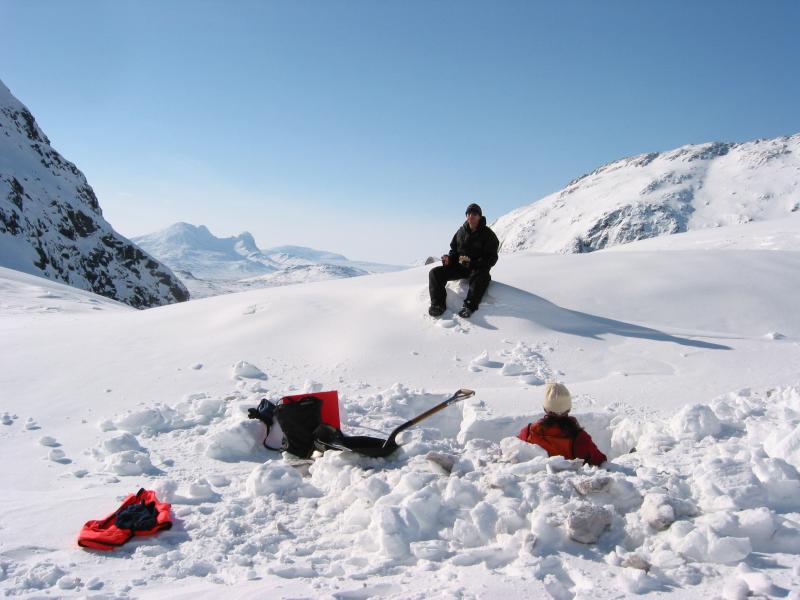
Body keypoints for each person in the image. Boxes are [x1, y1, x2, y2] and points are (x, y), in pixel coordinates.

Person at [428, 203, 500, 318]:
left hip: (478, 269)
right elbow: (454, 251)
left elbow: (491, 258)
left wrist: (474, 263)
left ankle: (469, 306)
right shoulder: (461, 232)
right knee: (435, 273)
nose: (471, 216)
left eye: (475, 214)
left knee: (482, 276)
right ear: (466, 216)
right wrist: (449, 259)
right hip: (460, 268)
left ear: (479, 217)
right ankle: (438, 305)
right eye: (469, 213)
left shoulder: (488, 235)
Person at [518, 383, 607, 466]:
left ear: (545, 408)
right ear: (568, 409)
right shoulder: (580, 438)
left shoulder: (528, 433)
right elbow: (600, 461)